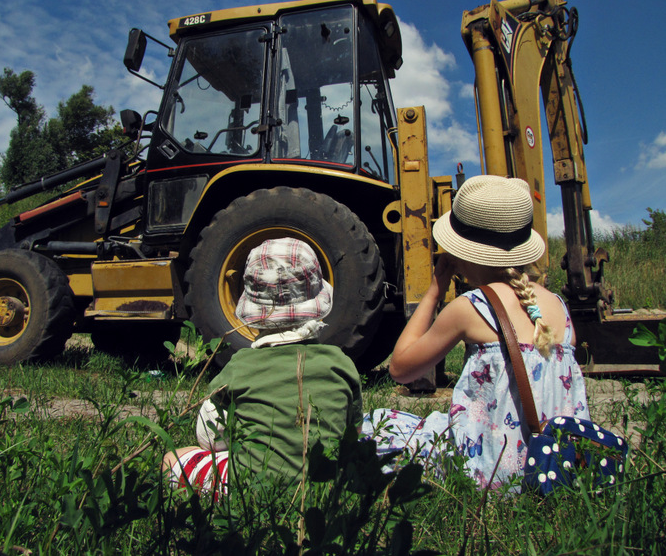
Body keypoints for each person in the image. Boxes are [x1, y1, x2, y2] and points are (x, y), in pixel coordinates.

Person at [364, 175, 590, 489]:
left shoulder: (471, 307)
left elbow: (401, 369)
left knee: (374, 426)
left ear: (462, 253)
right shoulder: (559, 308)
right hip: (554, 467)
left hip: (490, 471)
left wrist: (434, 292)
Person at [163, 237, 363, 494]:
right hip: (325, 488)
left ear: (252, 306)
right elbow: (353, 434)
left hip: (250, 488)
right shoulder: (341, 363)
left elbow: (208, 437)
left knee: (171, 458)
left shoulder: (239, 367)